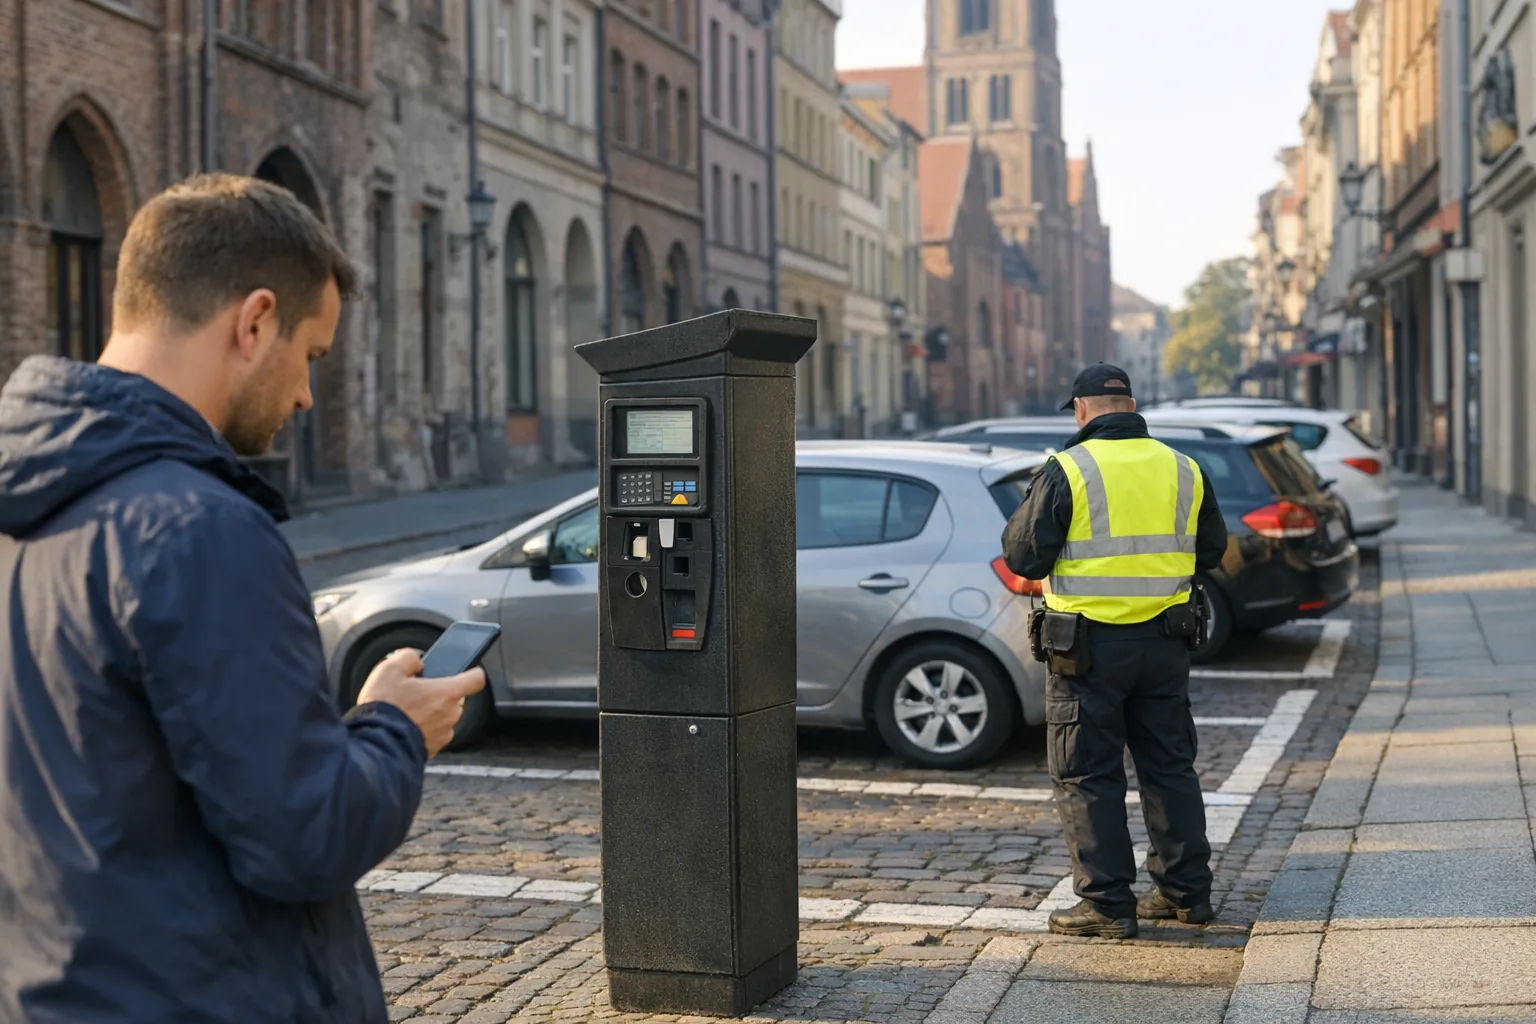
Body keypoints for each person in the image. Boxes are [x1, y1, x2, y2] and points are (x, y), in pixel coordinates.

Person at [0, 174, 485, 1022]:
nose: (305, 394)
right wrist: (395, 728)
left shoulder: (26, 501)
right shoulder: (197, 528)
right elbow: (307, 836)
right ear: (255, 320)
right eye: (312, 356)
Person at [1001, 364, 1228, 939]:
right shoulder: (1184, 467)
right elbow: (1212, 551)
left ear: (1080, 409)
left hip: (1088, 651)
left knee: (1087, 774)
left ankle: (1106, 904)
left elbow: (1025, 557)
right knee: (1170, 767)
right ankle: (1187, 895)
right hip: (1164, 644)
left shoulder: (1068, 468)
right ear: (1130, 404)